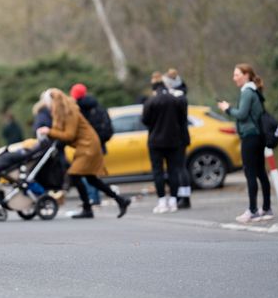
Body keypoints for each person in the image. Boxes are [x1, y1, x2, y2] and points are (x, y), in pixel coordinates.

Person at [36, 88, 130, 219]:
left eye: (48, 102)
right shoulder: (65, 111)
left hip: (88, 146)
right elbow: (63, 133)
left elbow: (69, 135)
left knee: (74, 175)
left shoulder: (70, 112)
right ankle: (120, 200)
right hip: (85, 146)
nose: (48, 105)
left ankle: (88, 208)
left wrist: (49, 131)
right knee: (91, 179)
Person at [218, 63, 273, 223]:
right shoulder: (252, 90)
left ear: (246, 75)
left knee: (250, 174)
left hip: (250, 137)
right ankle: (267, 209)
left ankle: (253, 210)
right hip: (257, 137)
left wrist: (227, 108)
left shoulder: (247, 92)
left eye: (236, 75)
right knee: (261, 173)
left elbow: (241, 114)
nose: (234, 78)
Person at [141, 72, 187, 214]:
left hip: (155, 142)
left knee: (158, 172)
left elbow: (145, 121)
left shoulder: (151, 102)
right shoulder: (175, 100)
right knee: (173, 171)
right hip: (174, 141)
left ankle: (162, 201)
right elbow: (182, 119)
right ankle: (173, 200)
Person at [69, 83, 114, 205]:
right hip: (99, 144)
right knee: (92, 174)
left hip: (87, 145)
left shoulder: (78, 109)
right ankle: (95, 199)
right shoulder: (98, 106)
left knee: (83, 173)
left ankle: (91, 199)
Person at [162, 69, 192, 209]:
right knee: (177, 168)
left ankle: (185, 197)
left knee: (180, 168)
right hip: (178, 136)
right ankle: (181, 196)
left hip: (179, 137)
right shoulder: (177, 96)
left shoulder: (179, 97)